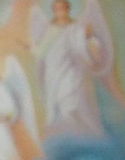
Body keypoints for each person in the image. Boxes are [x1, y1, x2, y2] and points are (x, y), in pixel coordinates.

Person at [30, 0, 114, 139]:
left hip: (72, 69)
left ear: (67, 9)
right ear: (53, 11)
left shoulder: (76, 27)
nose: (59, 11)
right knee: (58, 101)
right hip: (54, 70)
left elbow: (87, 44)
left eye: (62, 8)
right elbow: (41, 52)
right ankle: (67, 133)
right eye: (56, 9)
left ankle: (81, 131)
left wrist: (88, 37)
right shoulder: (50, 29)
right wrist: (32, 48)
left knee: (70, 99)